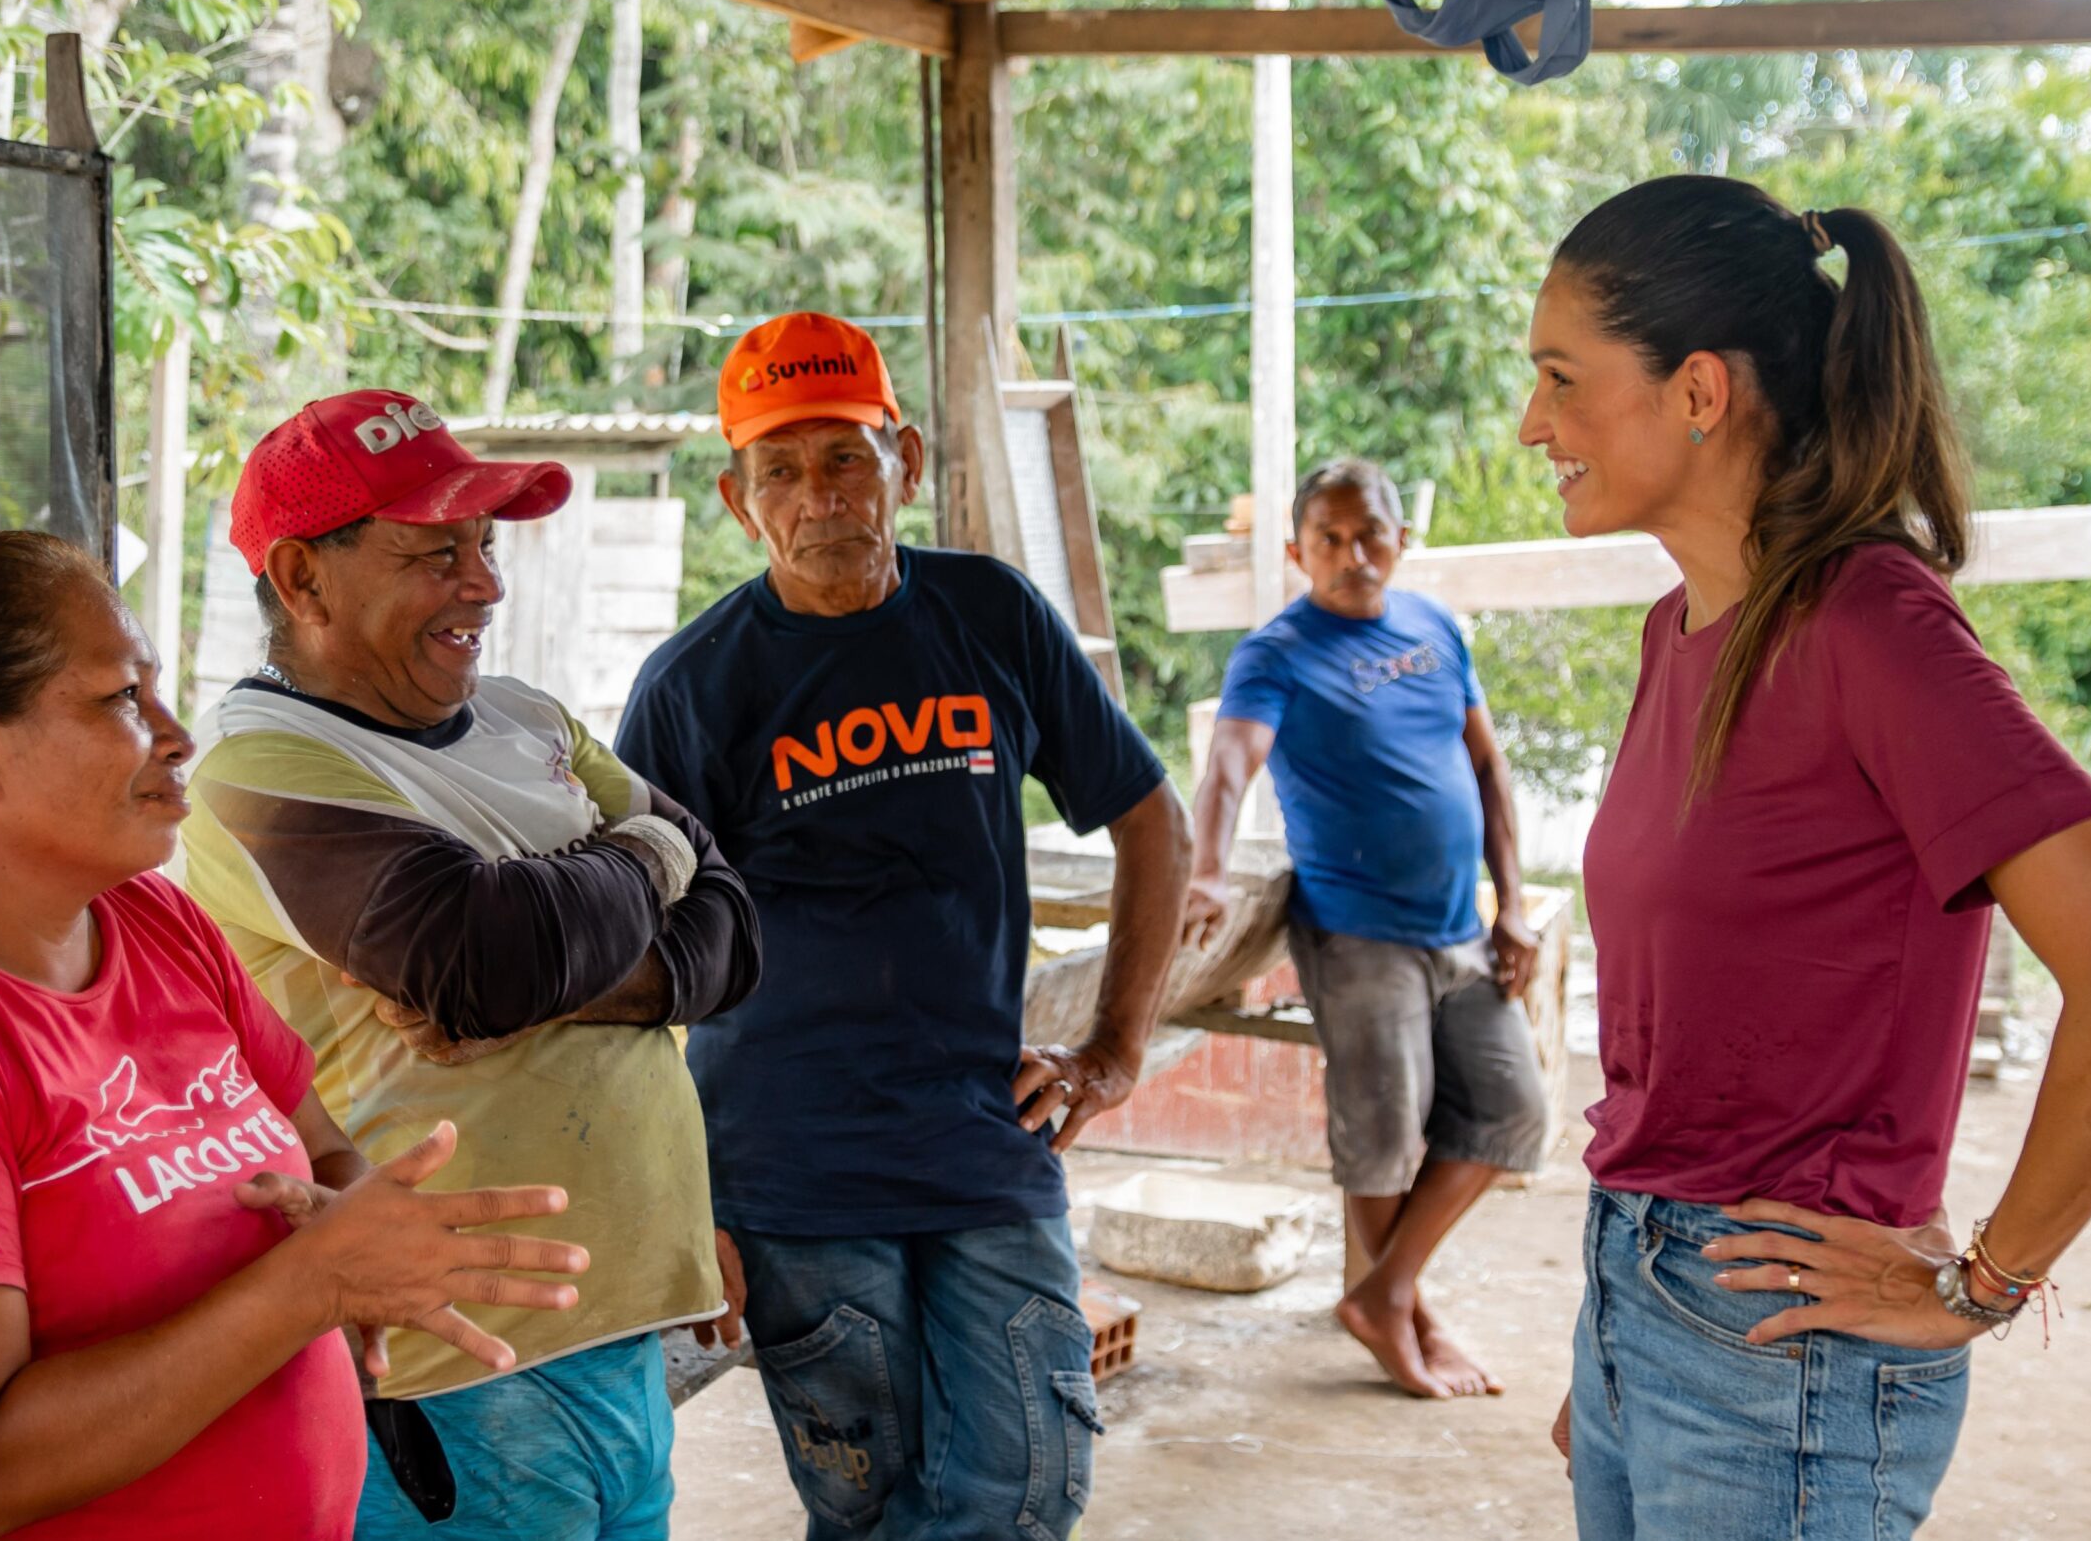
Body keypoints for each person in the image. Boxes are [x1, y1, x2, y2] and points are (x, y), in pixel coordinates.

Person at [1521, 175, 2091, 1537]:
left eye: (1560, 376)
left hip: (1779, 1350)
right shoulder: (1687, 631)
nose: (1533, 423)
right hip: (1650, 1294)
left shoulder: (1872, 622)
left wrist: (1981, 1282)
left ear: (1700, 391)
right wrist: (1617, 1340)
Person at [0, 530, 589, 1541]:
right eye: (122, 700)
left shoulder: (150, 919)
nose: (177, 736)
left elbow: (318, 1145)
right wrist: (311, 1284)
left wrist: (360, 1219)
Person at [616, 312, 1191, 1541]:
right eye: (781, 469)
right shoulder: (692, 686)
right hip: (785, 1172)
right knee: (868, 1510)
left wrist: (1112, 1052)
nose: (818, 495)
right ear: (737, 497)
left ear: (906, 462)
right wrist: (682, 1201)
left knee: (1030, 1492)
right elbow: (632, 970)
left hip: (983, 1142)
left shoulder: (989, 615)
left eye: (845, 457)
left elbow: (1150, 817)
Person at [176, 389, 761, 1541]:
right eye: (434, 553)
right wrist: (647, 848)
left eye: (483, 546)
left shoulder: (524, 716)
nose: (484, 584)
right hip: (461, 1356)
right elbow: (486, 956)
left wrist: (571, 970)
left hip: (616, 1326)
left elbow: (736, 923)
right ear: (302, 581)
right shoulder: (261, 769)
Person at [1182, 456, 1547, 1400]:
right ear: (1299, 549)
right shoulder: (1277, 651)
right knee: (1383, 1137)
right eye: (1330, 540)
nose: (1353, 555)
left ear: (1402, 537)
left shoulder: (1435, 628)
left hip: (1462, 929)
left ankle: (1384, 1295)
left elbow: (1490, 772)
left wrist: (1515, 906)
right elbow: (1229, 765)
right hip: (1357, 935)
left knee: (1512, 1109)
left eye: (1370, 534)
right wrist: (1209, 872)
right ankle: (1402, 1313)